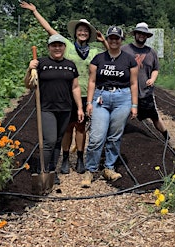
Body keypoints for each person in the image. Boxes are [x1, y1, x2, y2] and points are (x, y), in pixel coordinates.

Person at [20, 1, 107, 175]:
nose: (82, 33)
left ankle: (80, 159)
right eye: (79, 30)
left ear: (89, 34)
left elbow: (111, 54)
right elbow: (49, 30)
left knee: (81, 128)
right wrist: (35, 11)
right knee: (66, 129)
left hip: (85, 95)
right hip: (66, 95)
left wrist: (104, 40)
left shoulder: (94, 52)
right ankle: (65, 158)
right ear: (75, 33)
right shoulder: (66, 46)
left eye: (85, 31)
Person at [82, 26, 138, 188]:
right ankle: (90, 170)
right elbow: (92, 81)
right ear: (107, 39)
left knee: (114, 136)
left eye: (117, 38)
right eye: (111, 38)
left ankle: (109, 168)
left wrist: (134, 105)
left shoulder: (129, 60)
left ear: (121, 40)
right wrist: (89, 103)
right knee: (96, 137)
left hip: (123, 98)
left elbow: (134, 83)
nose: (114, 41)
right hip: (101, 97)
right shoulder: (98, 59)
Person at [23, 34, 84, 184]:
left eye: (60, 45)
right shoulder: (41, 63)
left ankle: (52, 171)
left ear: (64, 47)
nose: (57, 48)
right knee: (49, 140)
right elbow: (28, 84)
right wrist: (29, 69)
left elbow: (75, 87)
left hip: (65, 108)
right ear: (49, 47)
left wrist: (80, 108)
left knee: (58, 141)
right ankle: (42, 170)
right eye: (54, 45)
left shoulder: (70, 65)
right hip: (46, 108)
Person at [121, 22, 170, 141]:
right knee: (120, 118)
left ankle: (167, 138)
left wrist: (153, 78)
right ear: (135, 34)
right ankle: (115, 140)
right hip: (126, 92)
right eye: (139, 33)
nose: (141, 35)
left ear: (147, 36)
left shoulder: (151, 52)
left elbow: (155, 69)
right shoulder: (125, 49)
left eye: (144, 34)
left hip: (145, 93)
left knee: (154, 117)